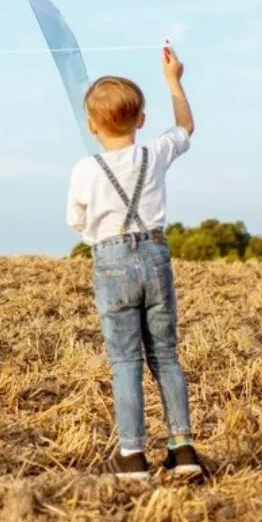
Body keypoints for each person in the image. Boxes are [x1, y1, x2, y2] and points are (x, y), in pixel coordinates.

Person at [66, 44, 204, 479]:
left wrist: (96, 234)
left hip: (111, 261)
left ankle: (132, 455)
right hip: (156, 255)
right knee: (165, 355)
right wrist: (173, 80)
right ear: (142, 120)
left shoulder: (85, 170)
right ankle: (182, 450)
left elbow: (76, 220)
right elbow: (185, 126)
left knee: (125, 361)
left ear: (92, 126)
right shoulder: (154, 153)